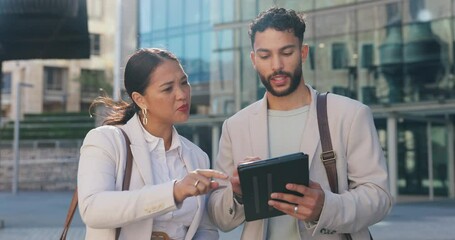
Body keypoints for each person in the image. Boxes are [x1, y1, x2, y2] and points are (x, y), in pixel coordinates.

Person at [207, 7, 392, 240]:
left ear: (303, 53)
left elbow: (379, 197)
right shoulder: (235, 126)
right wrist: (237, 194)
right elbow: (220, 218)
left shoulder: (350, 114)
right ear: (254, 60)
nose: (276, 65)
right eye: (265, 56)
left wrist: (326, 206)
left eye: (286, 52)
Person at [77, 48, 228, 240]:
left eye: (184, 82)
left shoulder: (196, 155)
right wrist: (174, 192)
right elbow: (93, 208)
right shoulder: (106, 141)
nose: (182, 94)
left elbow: (205, 228)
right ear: (140, 100)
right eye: (167, 88)